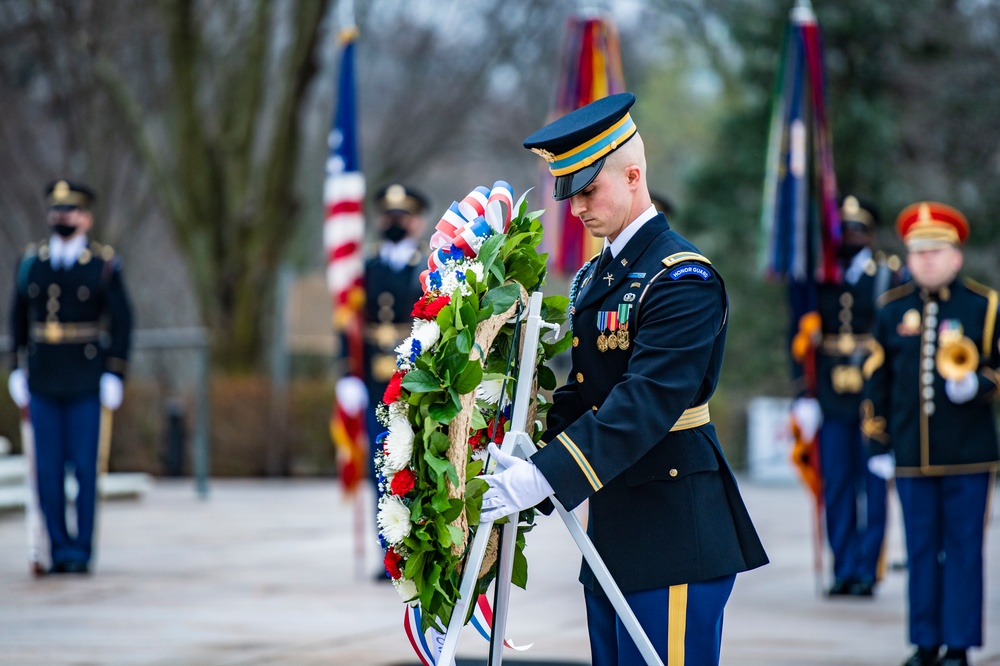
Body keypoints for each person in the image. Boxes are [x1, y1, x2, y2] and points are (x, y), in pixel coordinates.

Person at [481, 92, 768, 665]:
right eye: (570, 193)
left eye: (589, 189)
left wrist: (545, 475)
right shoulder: (598, 273)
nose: (578, 207)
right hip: (615, 531)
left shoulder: (682, 278)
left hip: (674, 532)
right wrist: (525, 449)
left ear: (634, 175)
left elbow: (644, 402)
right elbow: (585, 390)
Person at [862, 201, 998, 666]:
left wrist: (976, 384)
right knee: (920, 550)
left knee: (963, 550)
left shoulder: (984, 305)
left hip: (970, 457)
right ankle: (924, 642)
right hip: (911, 455)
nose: (926, 260)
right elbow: (875, 381)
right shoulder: (890, 310)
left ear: (956, 256)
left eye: (936, 251)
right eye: (918, 252)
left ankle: (958, 645)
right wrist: (877, 442)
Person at [7, 180, 133, 575]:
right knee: (46, 470)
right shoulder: (33, 263)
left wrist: (114, 372)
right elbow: (18, 319)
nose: (63, 218)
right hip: (43, 378)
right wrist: (16, 368)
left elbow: (123, 321)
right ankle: (58, 545)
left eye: (71, 211)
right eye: (57, 211)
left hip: (84, 379)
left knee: (83, 467)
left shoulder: (102, 265)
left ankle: (81, 549)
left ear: (86, 218)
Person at [789, 195, 901, 597]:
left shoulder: (890, 274)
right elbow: (798, 334)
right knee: (835, 481)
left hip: (873, 391)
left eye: (858, 229)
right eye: (845, 230)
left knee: (872, 484)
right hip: (832, 392)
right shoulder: (821, 275)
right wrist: (803, 393)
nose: (851, 236)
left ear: (870, 234)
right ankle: (844, 567)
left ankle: (868, 570)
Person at [336, 183, 428, 577]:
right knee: (381, 463)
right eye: (388, 216)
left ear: (415, 222)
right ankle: (387, 552)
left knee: (417, 465)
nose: (394, 223)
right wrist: (346, 374)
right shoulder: (365, 271)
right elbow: (348, 324)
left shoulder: (427, 268)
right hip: (374, 380)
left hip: (416, 380)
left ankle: (420, 549)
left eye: (401, 216)